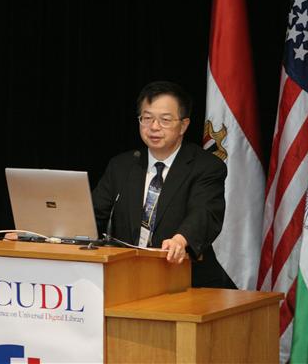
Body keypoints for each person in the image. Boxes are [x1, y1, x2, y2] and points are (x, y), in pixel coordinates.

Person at [92, 81, 234, 288]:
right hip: (126, 277)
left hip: (185, 279)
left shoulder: (206, 166)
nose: (154, 127)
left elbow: (204, 212)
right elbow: (95, 214)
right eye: (147, 118)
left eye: (165, 120)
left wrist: (181, 240)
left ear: (183, 125)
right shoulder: (122, 166)